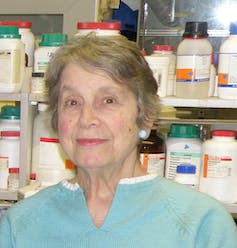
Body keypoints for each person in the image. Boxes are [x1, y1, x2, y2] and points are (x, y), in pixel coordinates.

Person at [0, 33, 237, 248]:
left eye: (108, 100)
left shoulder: (203, 226)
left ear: (145, 118)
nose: (87, 119)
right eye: (72, 102)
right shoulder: (19, 226)